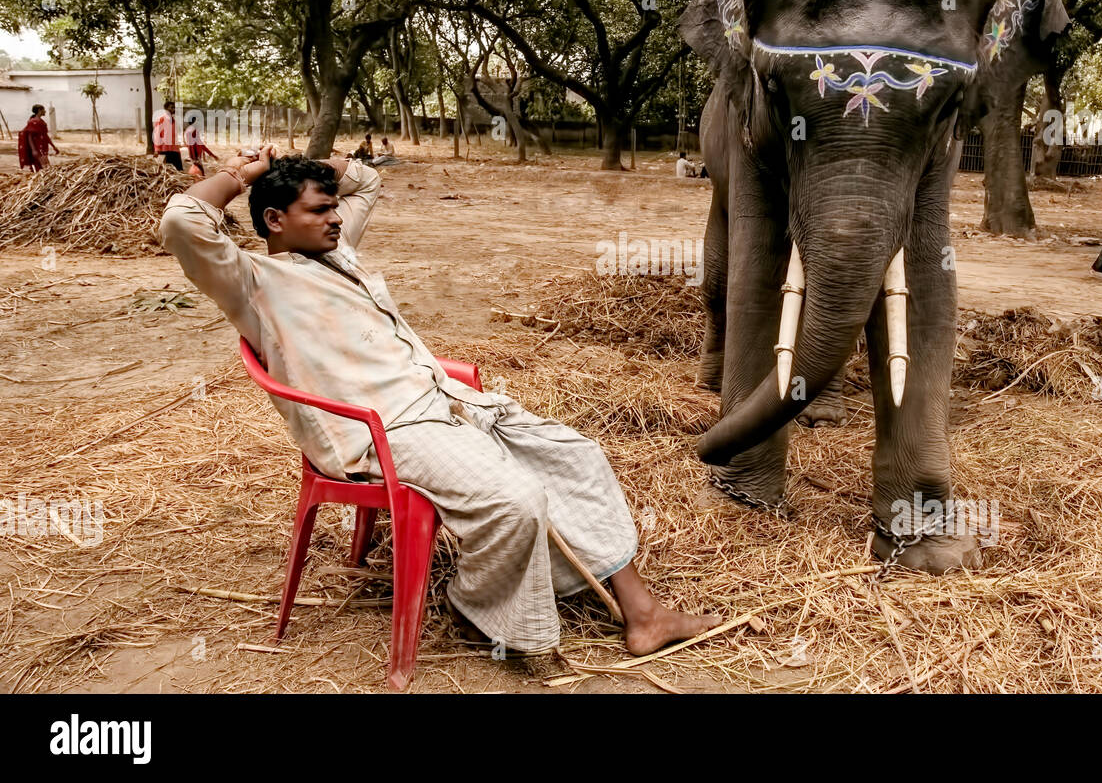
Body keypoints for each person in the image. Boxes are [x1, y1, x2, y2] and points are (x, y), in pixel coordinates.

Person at [158, 147, 722, 657]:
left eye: (333, 209)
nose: (334, 217)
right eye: (318, 210)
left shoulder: (334, 251)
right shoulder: (250, 279)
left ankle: (644, 614)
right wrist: (242, 175)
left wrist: (310, 164)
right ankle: (475, 602)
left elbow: (365, 185)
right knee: (518, 499)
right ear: (275, 220)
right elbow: (182, 221)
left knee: (574, 455)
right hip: (380, 430)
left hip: (442, 401)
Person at [17, 104, 59, 172]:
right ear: (39, 110)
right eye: (44, 110)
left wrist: (53, 146)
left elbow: (45, 136)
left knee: (44, 167)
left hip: (43, 147)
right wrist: (34, 150)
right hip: (37, 148)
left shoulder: (41, 122)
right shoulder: (33, 122)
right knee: (44, 167)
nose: (45, 111)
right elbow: (29, 136)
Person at [153, 100, 183, 170]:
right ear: (166, 109)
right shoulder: (161, 120)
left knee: (179, 169)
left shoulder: (174, 121)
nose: (174, 109)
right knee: (167, 170)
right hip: (164, 149)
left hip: (174, 149)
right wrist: (157, 149)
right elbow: (157, 135)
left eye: (174, 108)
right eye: (172, 107)